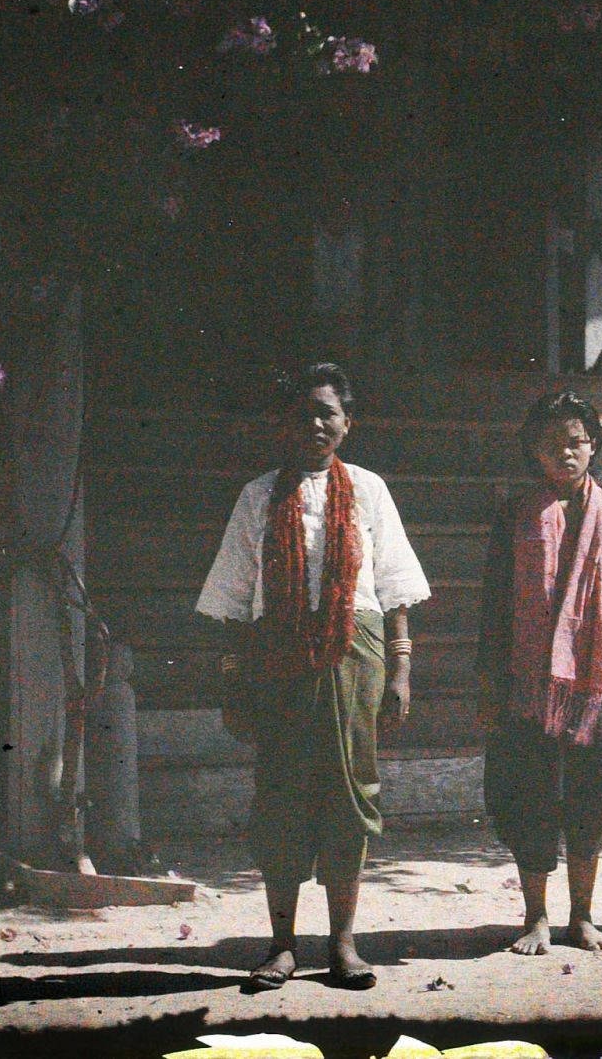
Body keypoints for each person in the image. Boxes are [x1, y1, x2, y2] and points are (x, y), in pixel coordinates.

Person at [195, 362, 429, 990]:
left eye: (328, 413)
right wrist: (232, 679)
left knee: (352, 792)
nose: (316, 425)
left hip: (357, 652)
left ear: (347, 424)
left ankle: (345, 944)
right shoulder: (258, 496)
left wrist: (401, 668)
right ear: (284, 425)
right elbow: (235, 598)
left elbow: (395, 586)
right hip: (278, 658)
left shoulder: (371, 491)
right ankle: (281, 944)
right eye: (304, 414)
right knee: (282, 794)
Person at [477, 390, 602, 954]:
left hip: (595, 679)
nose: (566, 454)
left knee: (592, 798)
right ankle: (536, 918)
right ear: (535, 452)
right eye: (553, 446)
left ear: (593, 446)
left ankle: (583, 916)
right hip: (527, 682)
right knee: (529, 794)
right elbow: (495, 603)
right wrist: (489, 681)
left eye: (576, 442)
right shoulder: (515, 513)